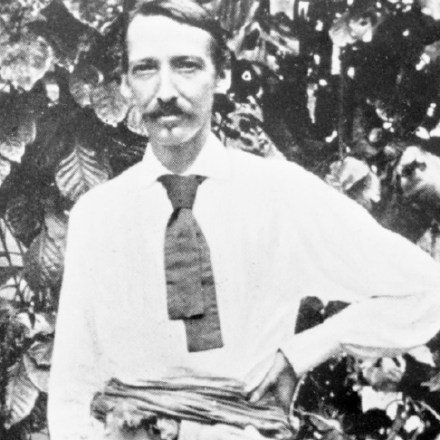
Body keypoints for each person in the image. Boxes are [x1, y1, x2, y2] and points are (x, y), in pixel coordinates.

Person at [47, 1, 440, 440]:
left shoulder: (280, 194)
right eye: (145, 69)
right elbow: (72, 388)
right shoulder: (99, 215)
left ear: (223, 75)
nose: (165, 90)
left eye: (187, 66)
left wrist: (304, 350)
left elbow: (425, 290)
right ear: (124, 83)